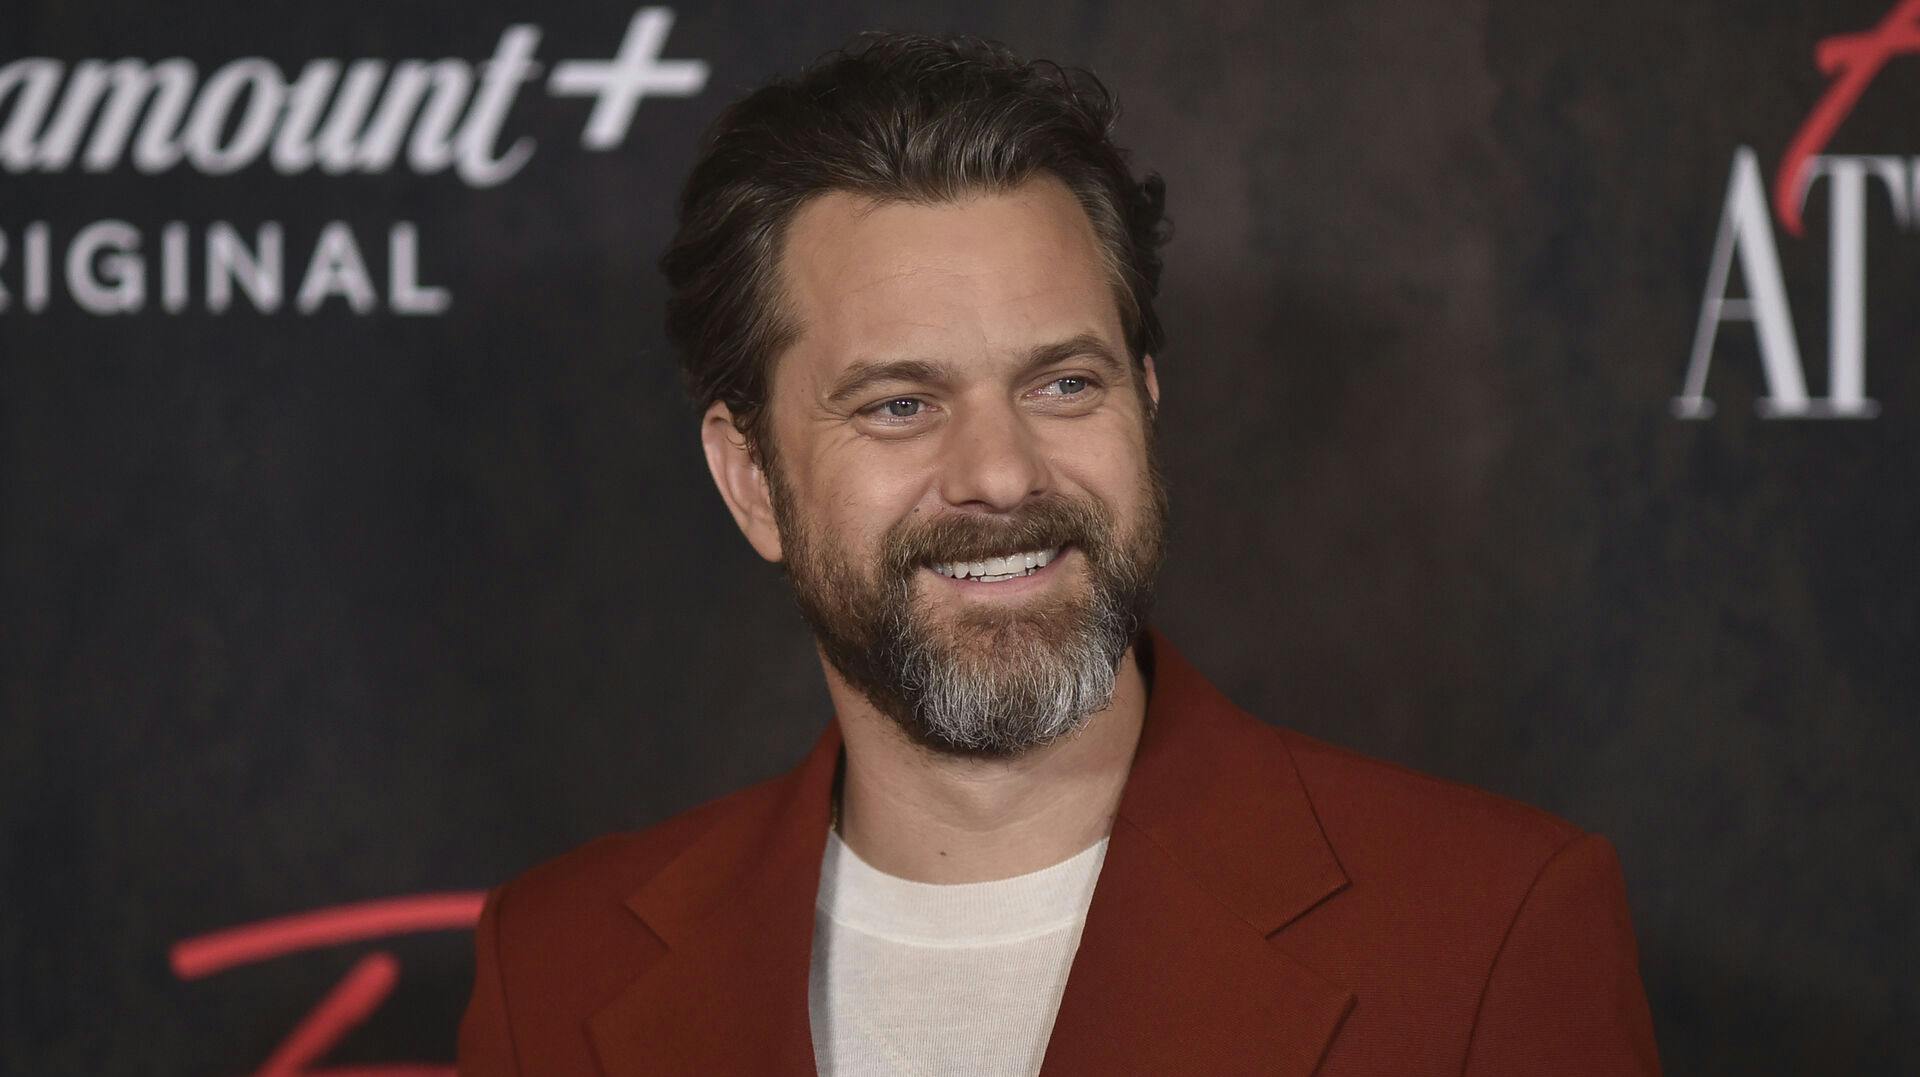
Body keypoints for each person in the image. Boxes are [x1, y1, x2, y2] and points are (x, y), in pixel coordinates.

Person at [457, 32, 1660, 1076]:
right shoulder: (556, 968)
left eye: (1064, 382)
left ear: (1145, 401)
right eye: (898, 405)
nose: (1002, 472)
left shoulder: (1489, 925)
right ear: (752, 479)